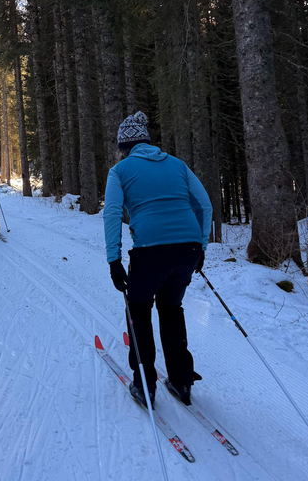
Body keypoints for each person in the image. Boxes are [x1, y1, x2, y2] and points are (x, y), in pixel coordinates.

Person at [103, 111, 212, 407]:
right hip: (187, 248)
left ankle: (144, 384)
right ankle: (181, 379)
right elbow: (203, 204)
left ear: (124, 146)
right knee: (171, 307)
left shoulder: (121, 170)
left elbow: (112, 212)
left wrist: (114, 259)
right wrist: (200, 245)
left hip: (150, 250)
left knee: (139, 310)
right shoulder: (177, 165)